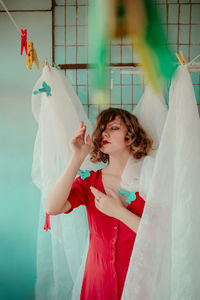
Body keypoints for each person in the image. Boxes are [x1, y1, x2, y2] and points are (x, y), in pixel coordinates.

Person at [46, 107, 153, 300]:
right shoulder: (90, 181)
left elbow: (159, 236)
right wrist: (76, 158)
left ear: (131, 135)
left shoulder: (150, 181)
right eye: (102, 129)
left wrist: (119, 212)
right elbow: (52, 207)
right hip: (98, 283)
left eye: (113, 128)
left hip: (139, 283)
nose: (104, 133)